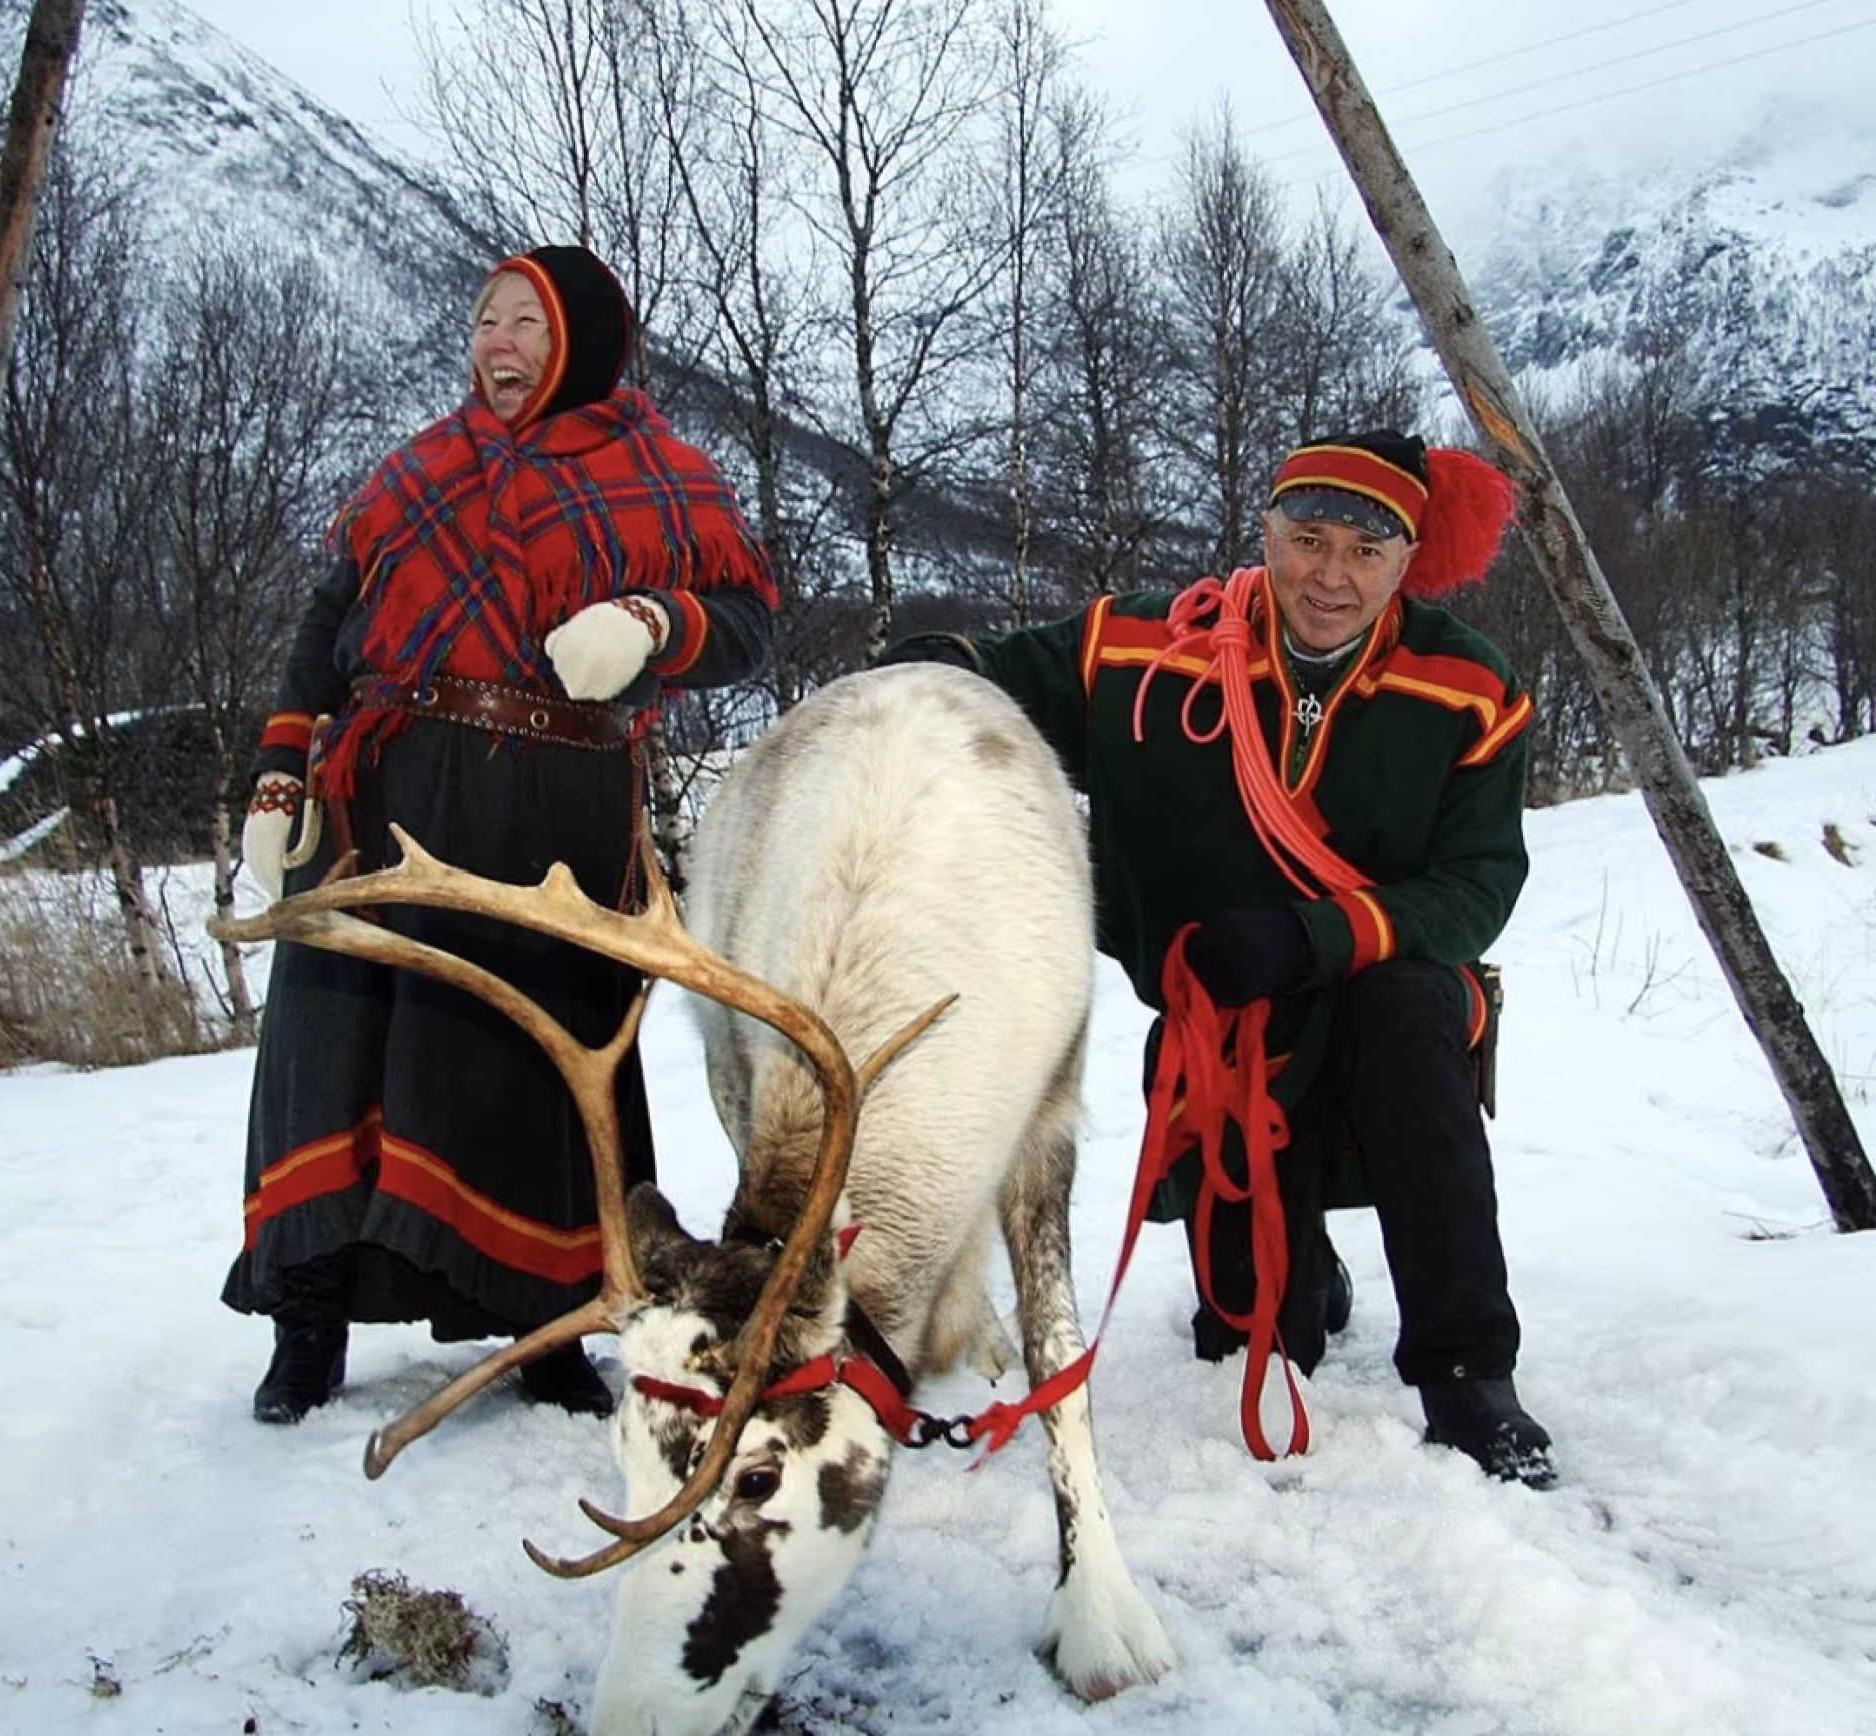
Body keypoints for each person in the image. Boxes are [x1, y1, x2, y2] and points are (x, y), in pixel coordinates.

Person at [882, 429, 1555, 1487]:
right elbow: (1012, 679)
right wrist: (939, 669)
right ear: (1268, 529)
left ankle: (1468, 1368)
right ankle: (1297, 1278)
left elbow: (1477, 886)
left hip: (1382, 995)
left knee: (1410, 1014)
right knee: (1246, 1334)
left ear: (1408, 557)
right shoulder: (1147, 643)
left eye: (1366, 551)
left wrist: (1310, 935)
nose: (1330, 575)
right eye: (1308, 537)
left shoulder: (1471, 686)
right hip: (1221, 1023)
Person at [227, 244, 776, 1425]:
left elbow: (746, 622)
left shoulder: (663, 474)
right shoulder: (417, 472)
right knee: (333, 1057)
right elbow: (329, 625)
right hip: (380, 793)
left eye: (527, 321)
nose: (501, 342)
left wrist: (652, 620)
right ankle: (307, 1320)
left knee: (528, 1067)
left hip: (549, 808)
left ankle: (546, 1326)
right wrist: (282, 766)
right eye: (486, 320)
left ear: (582, 337)